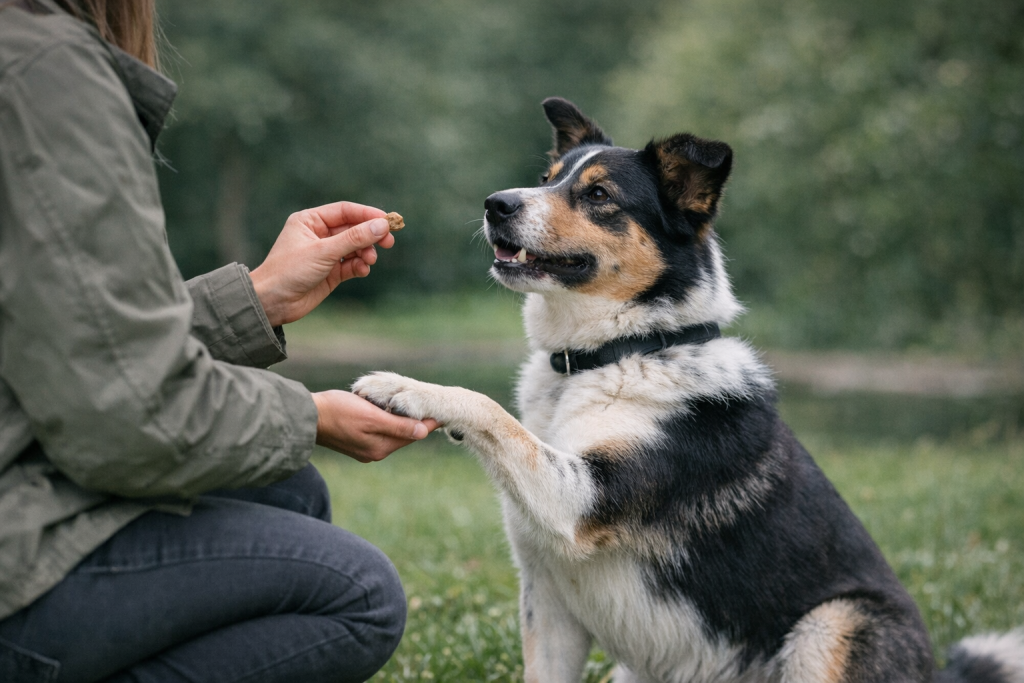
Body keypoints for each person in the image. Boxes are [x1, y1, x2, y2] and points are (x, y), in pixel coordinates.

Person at [0, 1, 439, 681]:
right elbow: (130, 417)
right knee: (361, 598)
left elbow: (68, 336)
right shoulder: (43, 70)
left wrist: (258, 296)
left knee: (285, 491)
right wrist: (311, 416)